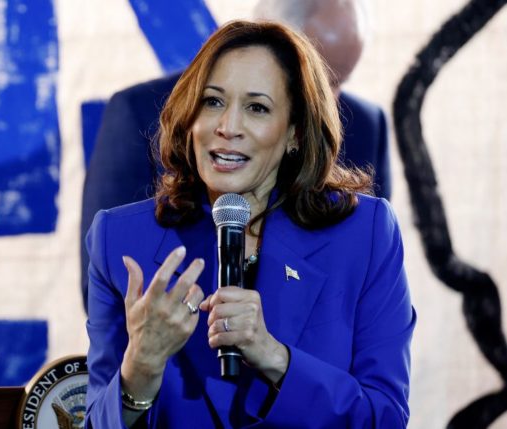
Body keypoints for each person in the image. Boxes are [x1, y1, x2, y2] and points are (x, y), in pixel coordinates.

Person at [84, 20, 414, 428]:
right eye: (213, 102)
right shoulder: (119, 240)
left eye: (257, 107)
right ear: (190, 117)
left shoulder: (364, 236)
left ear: (294, 132)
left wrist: (274, 356)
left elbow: (384, 419)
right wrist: (141, 368)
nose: (228, 127)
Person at [79, 0, 390, 313]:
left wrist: (275, 351)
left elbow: (367, 303)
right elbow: (105, 287)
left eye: (338, 81)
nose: (328, 104)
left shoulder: (366, 125)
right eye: (321, 80)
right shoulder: (136, 111)